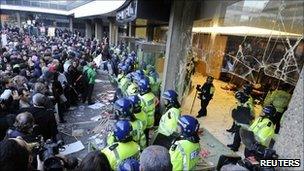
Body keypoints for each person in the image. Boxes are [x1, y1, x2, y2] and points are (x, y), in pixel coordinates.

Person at [137, 78, 157, 144]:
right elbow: (156, 102)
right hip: (151, 119)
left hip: (145, 120)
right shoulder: (152, 95)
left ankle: (145, 145)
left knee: (143, 135)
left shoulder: (142, 99)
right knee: (147, 133)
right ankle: (147, 142)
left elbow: (139, 110)